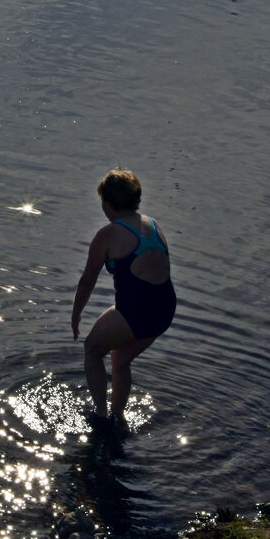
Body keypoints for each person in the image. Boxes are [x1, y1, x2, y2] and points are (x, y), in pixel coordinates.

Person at [71, 169, 176, 429]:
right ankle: (118, 416)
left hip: (136, 312)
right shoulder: (153, 224)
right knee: (120, 359)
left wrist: (76, 314)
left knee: (92, 349)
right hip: (164, 310)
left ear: (107, 203)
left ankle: (101, 415)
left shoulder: (107, 234)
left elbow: (87, 280)